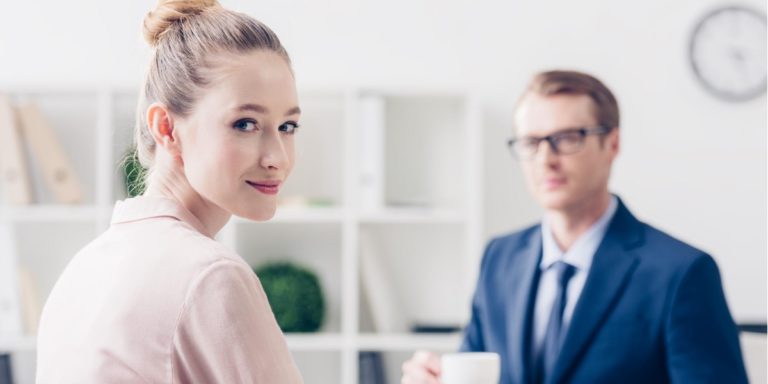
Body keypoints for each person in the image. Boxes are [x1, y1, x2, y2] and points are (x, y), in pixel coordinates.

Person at [401, 70, 748, 384]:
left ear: (612, 144)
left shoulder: (681, 273)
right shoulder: (500, 258)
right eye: (531, 142)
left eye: (566, 138)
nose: (545, 159)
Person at [35, 0, 304, 382]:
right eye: (245, 123)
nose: (277, 157)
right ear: (166, 127)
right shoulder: (212, 275)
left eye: (288, 127)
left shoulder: (83, 269)